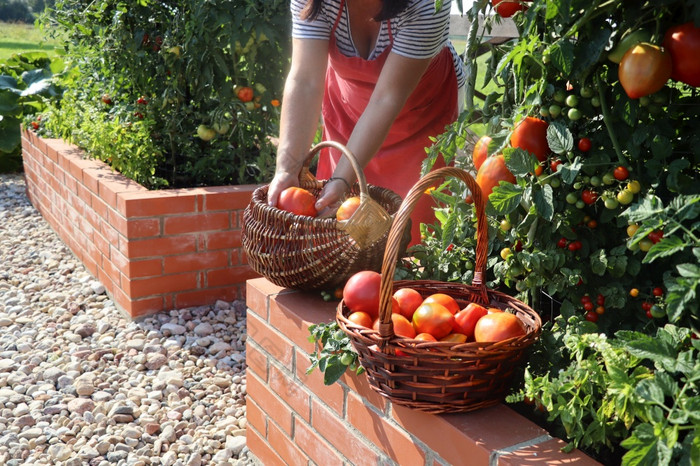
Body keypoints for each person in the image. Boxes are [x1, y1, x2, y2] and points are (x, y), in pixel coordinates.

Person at [267, 0, 466, 245]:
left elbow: (386, 98)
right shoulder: (313, 2)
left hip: (421, 120)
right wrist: (288, 168)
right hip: (347, 112)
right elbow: (305, 81)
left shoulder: (425, 4)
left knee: (413, 242)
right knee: (338, 234)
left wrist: (342, 180)